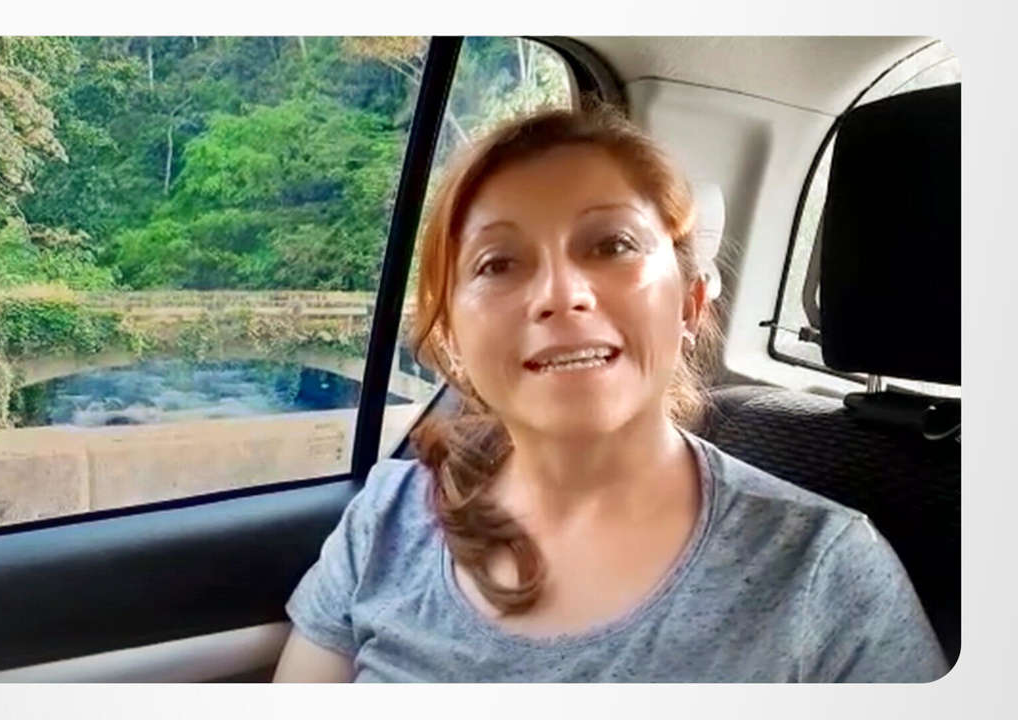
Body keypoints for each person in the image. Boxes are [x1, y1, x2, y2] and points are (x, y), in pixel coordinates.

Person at [272, 105, 947, 682]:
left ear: (689, 304)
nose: (561, 294)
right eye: (498, 263)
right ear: (451, 335)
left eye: (612, 244)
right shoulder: (389, 518)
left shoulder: (826, 575)